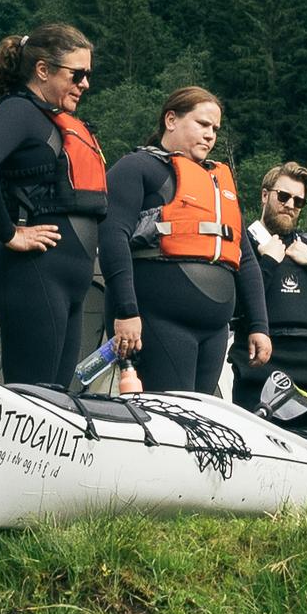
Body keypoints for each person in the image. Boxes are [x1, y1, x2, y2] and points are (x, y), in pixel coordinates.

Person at [0, 25, 140, 389]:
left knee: (54, 399)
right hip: (34, 275)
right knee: (34, 398)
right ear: (43, 70)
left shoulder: (52, 120)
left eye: (88, 75)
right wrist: (8, 233)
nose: (85, 84)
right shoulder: (19, 110)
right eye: (77, 74)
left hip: (67, 283)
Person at [107, 87, 258, 396]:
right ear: (171, 120)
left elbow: (246, 258)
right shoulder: (137, 168)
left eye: (215, 128)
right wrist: (125, 311)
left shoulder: (218, 185)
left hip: (215, 330)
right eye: (202, 124)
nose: (210, 135)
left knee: (197, 424)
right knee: (169, 421)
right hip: (159, 320)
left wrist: (259, 326)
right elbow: (112, 238)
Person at [234, 161, 307, 423]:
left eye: (298, 201)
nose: (290, 205)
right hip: (258, 368)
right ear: (265, 195)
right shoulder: (244, 248)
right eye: (284, 196)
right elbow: (233, 307)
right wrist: (267, 263)